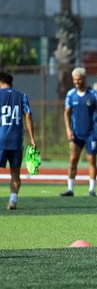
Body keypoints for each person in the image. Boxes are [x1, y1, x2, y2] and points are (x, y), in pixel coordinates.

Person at [60, 68, 97, 197]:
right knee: (73, 160)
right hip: (76, 133)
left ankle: (92, 189)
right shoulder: (71, 95)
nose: (77, 81)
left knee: (91, 159)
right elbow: (67, 113)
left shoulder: (93, 94)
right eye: (75, 79)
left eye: (79, 79)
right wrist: (68, 129)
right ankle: (70, 189)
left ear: (85, 79)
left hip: (91, 133)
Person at [0, 72, 37, 210]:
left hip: (0, 139)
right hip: (16, 141)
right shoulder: (22, 96)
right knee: (15, 172)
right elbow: (28, 116)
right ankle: (13, 200)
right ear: (11, 83)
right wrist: (32, 138)